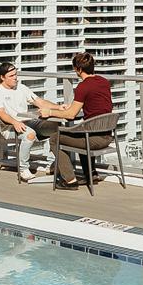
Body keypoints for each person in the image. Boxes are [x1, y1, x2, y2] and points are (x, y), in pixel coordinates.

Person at [38, 52, 113, 190]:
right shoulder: (103, 81)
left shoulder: (83, 87)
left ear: (78, 69)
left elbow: (71, 115)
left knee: (55, 138)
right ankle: (91, 174)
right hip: (107, 136)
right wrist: (69, 108)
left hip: (93, 141)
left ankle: (70, 180)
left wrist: (49, 112)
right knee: (81, 132)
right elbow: (95, 105)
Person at [0, 63, 61, 182]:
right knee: (30, 134)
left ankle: (51, 165)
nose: (15, 78)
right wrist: (14, 122)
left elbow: (40, 102)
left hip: (28, 121)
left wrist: (59, 108)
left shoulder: (22, 88)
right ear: (2, 77)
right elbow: (1, 113)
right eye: (11, 76)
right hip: (9, 127)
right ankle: (23, 169)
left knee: (56, 127)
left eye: (16, 74)